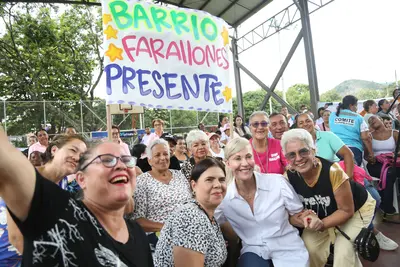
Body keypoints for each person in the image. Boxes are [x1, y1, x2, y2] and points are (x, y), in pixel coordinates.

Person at [0, 124, 154, 266]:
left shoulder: (138, 234)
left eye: (127, 161)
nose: (121, 165)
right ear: (82, 179)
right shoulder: (56, 204)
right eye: (107, 160)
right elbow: (16, 238)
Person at [282, 129, 376, 267]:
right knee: (309, 248)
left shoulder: (333, 171)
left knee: (343, 250)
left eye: (303, 151)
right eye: (292, 155)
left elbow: (346, 211)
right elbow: (291, 214)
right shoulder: (289, 176)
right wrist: (299, 219)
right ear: (287, 157)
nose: (298, 158)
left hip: (356, 209)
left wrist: (321, 224)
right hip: (324, 214)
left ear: (313, 150)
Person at [215, 138, 309, 267]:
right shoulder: (224, 198)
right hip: (254, 251)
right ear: (228, 163)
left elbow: (298, 214)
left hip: (287, 247)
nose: (245, 163)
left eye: (248, 157)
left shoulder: (278, 183)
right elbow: (212, 220)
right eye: (237, 158)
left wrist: (309, 218)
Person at [7, 134, 88, 254]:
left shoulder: (63, 182)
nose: (77, 157)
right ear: (54, 150)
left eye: (82, 156)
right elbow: (16, 238)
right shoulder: (27, 178)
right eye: (73, 150)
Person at [154, 158, 227, 267]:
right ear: (194, 186)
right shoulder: (190, 217)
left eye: (221, 179)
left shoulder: (207, 214)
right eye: (209, 179)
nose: (217, 185)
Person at [133, 139, 192, 250]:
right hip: (159, 233)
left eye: (166, 154)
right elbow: (138, 220)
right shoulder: (142, 181)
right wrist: (167, 227)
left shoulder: (179, 176)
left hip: (188, 228)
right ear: (149, 160)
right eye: (157, 155)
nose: (163, 158)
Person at [296, 113, 354, 178]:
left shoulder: (328, 136)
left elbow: (348, 153)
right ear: (297, 127)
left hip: (336, 176)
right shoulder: (296, 144)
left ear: (314, 123)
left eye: (308, 121)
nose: (305, 124)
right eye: (301, 123)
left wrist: (348, 177)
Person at [367, 115, 399, 215]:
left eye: (373, 118)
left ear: (381, 119)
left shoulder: (395, 133)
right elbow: (366, 156)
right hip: (376, 164)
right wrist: (370, 158)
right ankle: (387, 206)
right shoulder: (369, 136)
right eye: (369, 121)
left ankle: (384, 203)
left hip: (393, 162)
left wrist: (392, 155)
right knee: (388, 173)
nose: (371, 121)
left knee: (389, 172)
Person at [329, 95, 373, 166]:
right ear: (351, 105)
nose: (356, 108)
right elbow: (365, 138)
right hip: (353, 149)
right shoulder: (358, 117)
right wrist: (371, 154)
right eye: (356, 106)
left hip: (335, 149)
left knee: (337, 174)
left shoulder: (333, 115)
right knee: (353, 173)